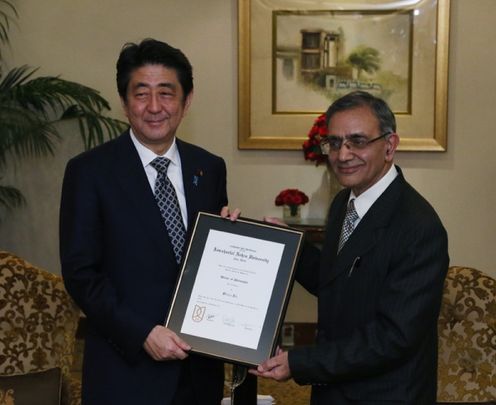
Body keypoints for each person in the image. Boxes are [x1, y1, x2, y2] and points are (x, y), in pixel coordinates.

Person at [60, 38, 234, 405]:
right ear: (124, 103)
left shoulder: (210, 167)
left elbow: (207, 266)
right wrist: (141, 333)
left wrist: (231, 238)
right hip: (125, 370)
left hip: (198, 372)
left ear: (187, 101)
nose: (154, 107)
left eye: (166, 93)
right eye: (141, 94)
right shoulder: (89, 172)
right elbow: (81, 273)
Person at [253, 91, 449, 404]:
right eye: (334, 142)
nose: (343, 155)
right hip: (336, 391)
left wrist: (300, 362)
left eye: (357, 141)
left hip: (384, 395)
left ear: (389, 145)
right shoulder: (344, 202)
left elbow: (393, 338)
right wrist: (289, 246)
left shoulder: (419, 228)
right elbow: (338, 282)